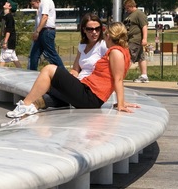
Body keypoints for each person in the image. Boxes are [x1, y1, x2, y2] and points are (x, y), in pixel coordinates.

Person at [7, 22, 138, 118]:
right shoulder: (122, 51)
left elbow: (118, 79)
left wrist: (120, 103)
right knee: (52, 85)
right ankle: (32, 105)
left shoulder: (116, 52)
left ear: (108, 35)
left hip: (91, 97)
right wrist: (120, 101)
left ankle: (25, 105)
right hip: (88, 92)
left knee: (49, 69)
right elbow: (115, 78)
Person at [35, 14, 108, 110]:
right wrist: (71, 76)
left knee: (50, 73)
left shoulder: (103, 45)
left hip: (89, 89)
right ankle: (34, 103)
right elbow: (75, 69)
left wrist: (120, 101)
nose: (94, 32)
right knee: (52, 84)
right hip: (79, 84)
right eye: (90, 29)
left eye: (97, 29)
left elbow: (115, 73)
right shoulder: (82, 45)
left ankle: (31, 103)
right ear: (84, 30)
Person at [28, 0, 64, 70]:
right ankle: (32, 74)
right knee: (34, 54)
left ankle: (64, 74)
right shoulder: (42, 1)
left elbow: (45, 17)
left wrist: (37, 31)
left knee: (51, 54)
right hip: (43, 31)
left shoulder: (46, 1)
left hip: (46, 31)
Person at [123, 0, 149, 83]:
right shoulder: (129, 15)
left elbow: (144, 26)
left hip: (135, 39)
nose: (126, 9)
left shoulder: (139, 14)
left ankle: (121, 75)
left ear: (132, 6)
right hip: (129, 39)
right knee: (141, 57)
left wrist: (145, 39)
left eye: (127, 8)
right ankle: (144, 76)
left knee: (129, 56)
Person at [0, 0, 21, 68]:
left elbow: (9, 30)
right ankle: (21, 72)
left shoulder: (9, 17)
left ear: (10, 7)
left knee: (3, 59)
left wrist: (5, 42)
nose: (6, 3)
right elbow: (3, 29)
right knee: (14, 58)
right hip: (5, 39)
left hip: (9, 40)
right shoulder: (4, 16)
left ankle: (0, 74)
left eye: (8, 3)